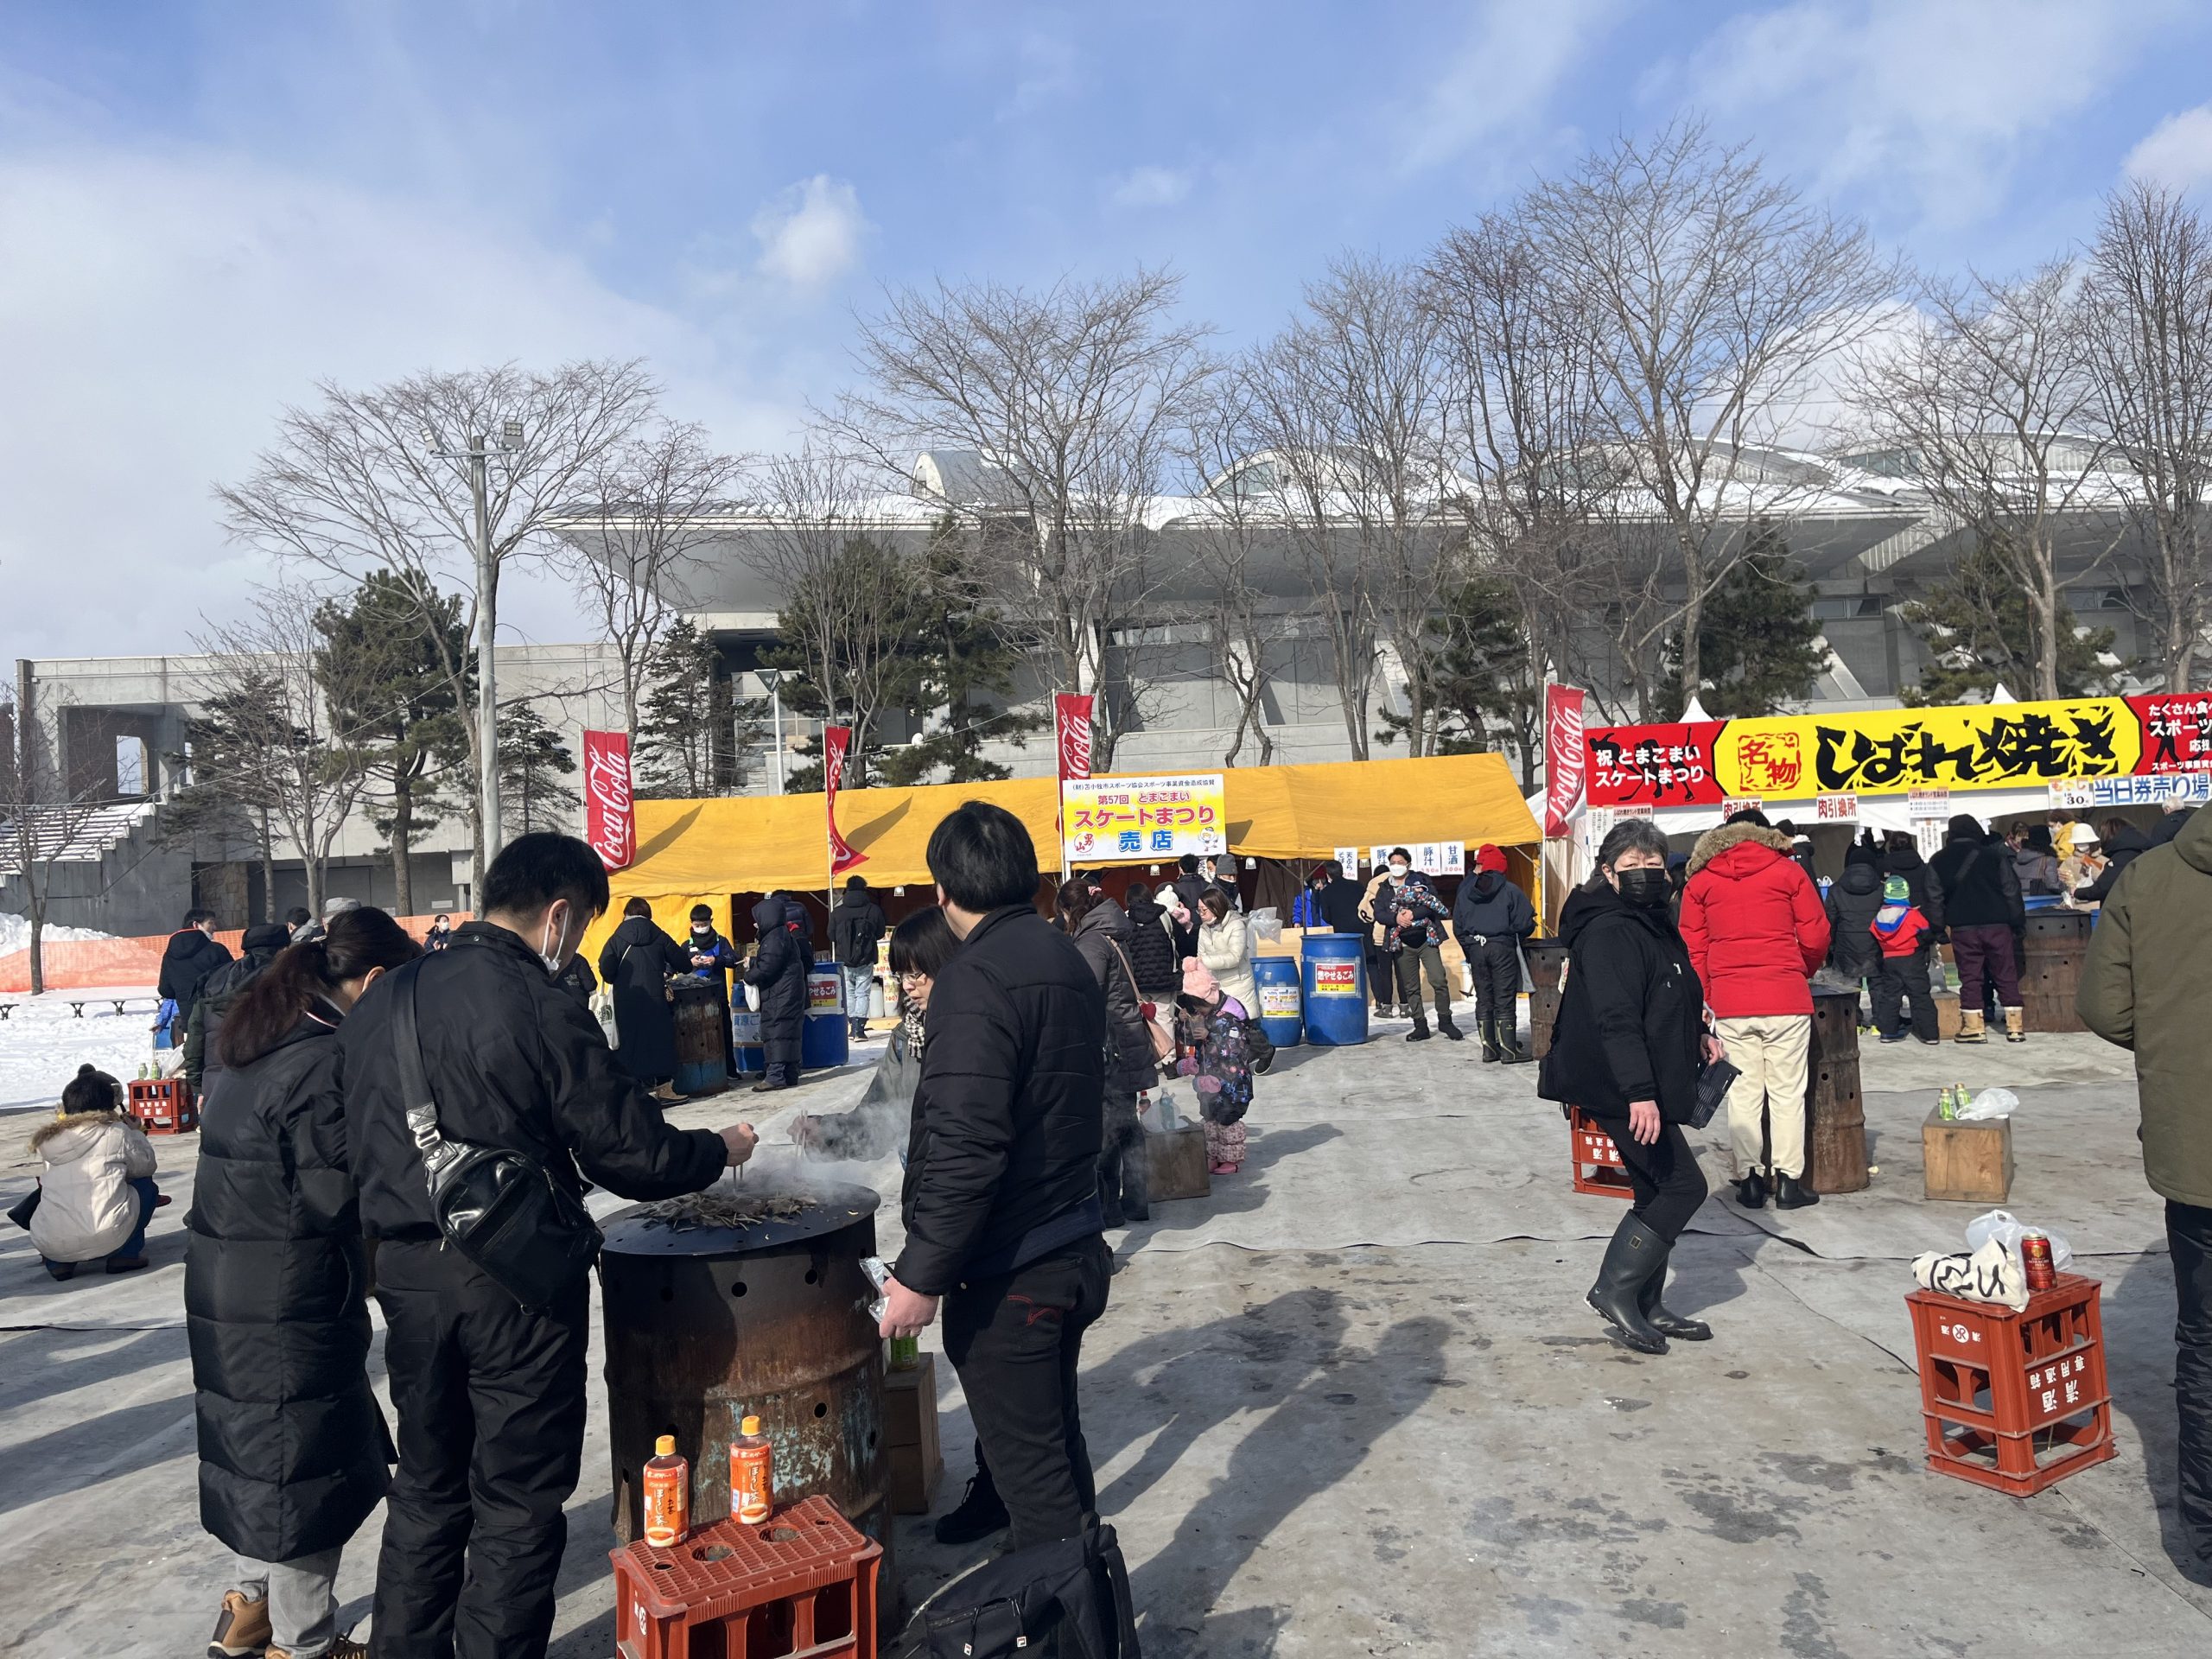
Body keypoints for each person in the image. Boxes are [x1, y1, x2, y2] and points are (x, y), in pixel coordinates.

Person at [340, 832, 756, 1659]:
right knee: (517, 1499)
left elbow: (346, 1145)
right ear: (559, 914)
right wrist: (719, 1148)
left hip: (408, 1282)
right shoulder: (536, 999)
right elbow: (628, 1154)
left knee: (425, 1490)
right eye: (583, 926)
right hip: (517, 1288)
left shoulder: (384, 1001)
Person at [876, 801, 1111, 1560]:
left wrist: (921, 1274)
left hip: (1016, 1264)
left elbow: (966, 1144)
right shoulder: (1063, 956)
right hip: (1070, 1240)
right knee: (1055, 1448)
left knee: (1036, 1488)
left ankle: (1069, 1627)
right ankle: (1088, 1614)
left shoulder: (974, 980)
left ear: (943, 893)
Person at [190, 908, 423, 1659]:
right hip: (290, 1296)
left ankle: (246, 1613)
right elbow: (337, 1198)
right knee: (304, 1469)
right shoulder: (322, 1065)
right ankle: (307, 1642)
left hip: (231, 1288)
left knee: (259, 1457)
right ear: (376, 983)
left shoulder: (257, 1043)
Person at [2078, 803, 2212, 1584]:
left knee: (2204, 1340)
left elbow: (2104, 1007)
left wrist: (2171, 1038)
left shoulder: (2150, 875)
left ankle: (2203, 1532)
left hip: (2194, 1145)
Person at [1537, 817, 1720, 1355]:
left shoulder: (1653, 921)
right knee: (1685, 1186)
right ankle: (1614, 1290)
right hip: (1615, 1080)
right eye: (1631, 867)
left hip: (1644, 1075)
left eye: (1653, 865)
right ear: (1607, 874)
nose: (1644, 874)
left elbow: (1668, 995)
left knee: (1652, 1187)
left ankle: (1647, 1302)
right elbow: (1617, 1018)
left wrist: (1700, 1034)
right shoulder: (1610, 930)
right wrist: (1639, 1093)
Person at [1679, 811, 1829, 1211]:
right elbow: (1816, 934)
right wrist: (1799, 970)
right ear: (1765, 835)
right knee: (1787, 1093)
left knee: (1743, 1093)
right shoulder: (1788, 872)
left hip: (1730, 1004)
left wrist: (1707, 998)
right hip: (1786, 999)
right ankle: (1788, 1183)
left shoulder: (1701, 882)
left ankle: (1748, 1179)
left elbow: (1694, 950)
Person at [792, 908, 960, 1162]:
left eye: (915, 973)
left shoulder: (979, 1031)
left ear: (946, 964)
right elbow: (878, 1118)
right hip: (925, 1185)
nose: (907, 985)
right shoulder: (906, 1037)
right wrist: (824, 1131)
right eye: (901, 975)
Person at [1058, 878, 1156, 1227]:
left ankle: (1109, 1208)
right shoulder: (1112, 931)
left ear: (1071, 910)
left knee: (1107, 1130)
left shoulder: (1090, 941)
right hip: (1126, 1040)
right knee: (1128, 1124)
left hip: (1109, 1044)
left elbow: (1085, 994)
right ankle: (1137, 1199)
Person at [28, 1065, 162, 1279]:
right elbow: (145, 1166)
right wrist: (135, 1133)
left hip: (49, 1242)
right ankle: (126, 1255)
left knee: (54, 1194)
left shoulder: (49, 1141)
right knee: (146, 1187)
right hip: (108, 1234)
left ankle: (59, 1263)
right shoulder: (116, 1132)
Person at [1930, 813, 2026, 1044]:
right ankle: (2015, 1027)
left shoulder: (1938, 860)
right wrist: (2017, 922)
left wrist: (1938, 928)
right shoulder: (1995, 856)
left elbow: (1934, 897)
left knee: (1971, 976)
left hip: (1964, 927)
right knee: (2005, 973)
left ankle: (1974, 1028)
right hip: (1998, 925)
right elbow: (2011, 890)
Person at [596, 897, 691, 1102]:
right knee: (659, 1041)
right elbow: (684, 963)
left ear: (626, 915)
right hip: (655, 999)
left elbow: (605, 965)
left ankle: (635, 1093)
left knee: (630, 1043)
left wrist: (615, 979)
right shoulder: (658, 934)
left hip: (626, 999)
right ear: (648, 915)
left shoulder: (617, 938)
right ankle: (665, 1089)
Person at [185, 920, 293, 1096]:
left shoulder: (213, 980)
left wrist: (199, 1085)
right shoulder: (288, 980)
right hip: (274, 1090)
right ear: (284, 950)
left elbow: (194, 1041)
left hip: (218, 1088)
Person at [1452, 843, 1535, 1063]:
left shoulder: (1465, 892)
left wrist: (1470, 949)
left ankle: (1489, 1049)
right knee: (1504, 998)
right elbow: (1525, 923)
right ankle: (1509, 1050)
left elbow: (1458, 926)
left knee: (1484, 998)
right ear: (1501, 867)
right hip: (1501, 947)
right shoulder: (1511, 890)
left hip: (1475, 948)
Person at [1175, 957, 1256, 1175]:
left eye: (1200, 1007)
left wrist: (1210, 1035)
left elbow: (1236, 1047)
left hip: (1232, 1081)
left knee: (1228, 1120)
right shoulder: (1207, 1013)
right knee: (1209, 1119)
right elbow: (1191, 1040)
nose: (1199, 1012)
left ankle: (1230, 1159)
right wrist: (1186, 1023)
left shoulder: (1231, 1014)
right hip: (1209, 1079)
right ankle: (1213, 1155)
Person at [744, 892, 810, 1093]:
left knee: (776, 1031)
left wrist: (750, 975)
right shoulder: (781, 934)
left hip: (781, 993)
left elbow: (769, 966)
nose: (755, 924)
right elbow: (777, 961)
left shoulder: (774, 937)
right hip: (789, 990)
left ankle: (774, 1076)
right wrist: (755, 962)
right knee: (788, 1032)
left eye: (757, 920)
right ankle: (790, 1074)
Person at [1871, 875, 1938, 1045]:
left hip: (1889, 960)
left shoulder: (1879, 916)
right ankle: (1929, 1034)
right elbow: (1927, 934)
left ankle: (1888, 1032)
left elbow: (1873, 934)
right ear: (1906, 893)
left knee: (1890, 996)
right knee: (1920, 995)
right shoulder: (1913, 915)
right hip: (1911, 959)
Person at [683, 903, 745, 1076]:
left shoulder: (721, 942)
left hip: (718, 997)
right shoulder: (687, 945)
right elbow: (676, 965)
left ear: (711, 921)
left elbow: (734, 960)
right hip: (692, 1002)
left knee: (724, 1033)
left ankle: (730, 1070)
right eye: (697, 925)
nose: (700, 928)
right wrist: (690, 963)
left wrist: (716, 960)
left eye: (704, 924)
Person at [1824, 854, 1885, 1032]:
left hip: (1846, 944)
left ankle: (1852, 1023)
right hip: (1875, 943)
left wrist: (1831, 946)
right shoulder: (1881, 889)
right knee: (1878, 985)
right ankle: (1879, 1023)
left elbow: (1830, 920)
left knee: (1848, 986)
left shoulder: (1836, 889)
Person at [160, 909, 234, 1049]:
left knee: (194, 1064)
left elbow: (165, 990)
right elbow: (233, 980)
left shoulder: (169, 955)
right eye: (210, 923)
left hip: (189, 1023)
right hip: (219, 1020)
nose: (215, 928)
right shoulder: (217, 950)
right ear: (195, 925)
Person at [830, 876, 889, 1041]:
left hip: (845, 959)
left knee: (849, 992)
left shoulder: (838, 912)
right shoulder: (873, 910)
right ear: (864, 889)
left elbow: (831, 934)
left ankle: (851, 1028)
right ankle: (859, 1030)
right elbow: (880, 933)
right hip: (866, 957)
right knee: (862, 993)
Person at [1195, 886, 1260, 1026]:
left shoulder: (1236, 925)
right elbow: (1200, 955)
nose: (1200, 913)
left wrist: (1203, 961)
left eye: (1204, 910)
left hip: (1238, 985)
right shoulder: (1203, 930)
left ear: (1216, 908)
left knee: (1244, 1029)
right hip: (1216, 988)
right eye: (1198, 910)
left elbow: (1234, 957)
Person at [1120, 880, 1183, 1001]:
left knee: (1141, 1018)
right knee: (1165, 1018)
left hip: (1136, 982)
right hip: (1165, 981)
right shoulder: (1163, 915)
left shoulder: (1125, 920)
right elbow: (1182, 941)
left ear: (1128, 900)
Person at [2074, 815, 2151, 906]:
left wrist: (2077, 892)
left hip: (2122, 911)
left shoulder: (2120, 859)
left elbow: (2103, 888)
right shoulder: (2139, 853)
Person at [2012, 825, 2063, 897]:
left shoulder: (2018, 859)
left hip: (2018, 900)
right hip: (2039, 901)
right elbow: (2052, 885)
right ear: (2047, 839)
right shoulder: (2049, 859)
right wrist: (2066, 887)